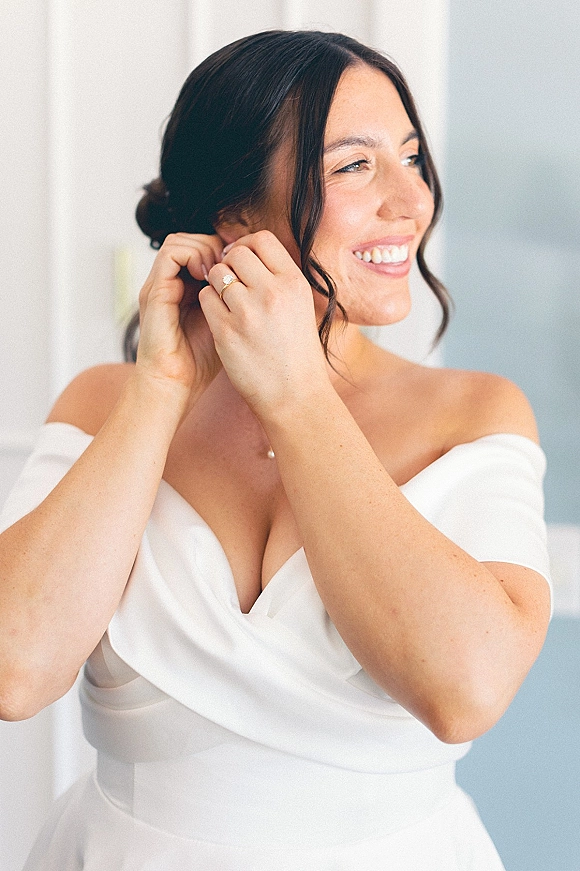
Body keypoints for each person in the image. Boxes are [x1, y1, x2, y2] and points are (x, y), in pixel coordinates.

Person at [0, 29, 551, 871]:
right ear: (233, 214)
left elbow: (464, 690)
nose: (411, 202)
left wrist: (297, 394)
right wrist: (158, 390)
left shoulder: (474, 413)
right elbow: (16, 668)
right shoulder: (105, 403)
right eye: (355, 166)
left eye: (411, 157)